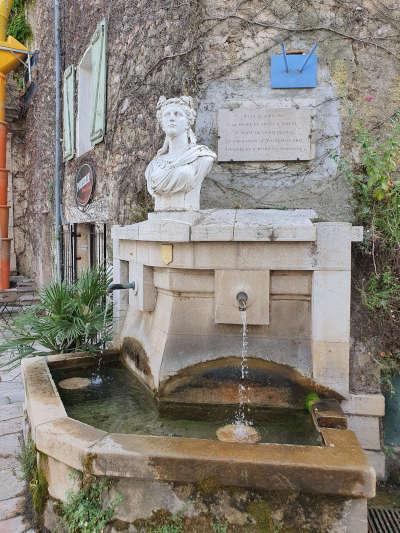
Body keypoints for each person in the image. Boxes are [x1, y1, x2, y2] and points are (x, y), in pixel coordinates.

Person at [145, 95, 216, 211]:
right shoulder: (154, 164)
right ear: (162, 123)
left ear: (188, 122)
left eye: (177, 114)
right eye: (167, 114)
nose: (171, 118)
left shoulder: (202, 157)